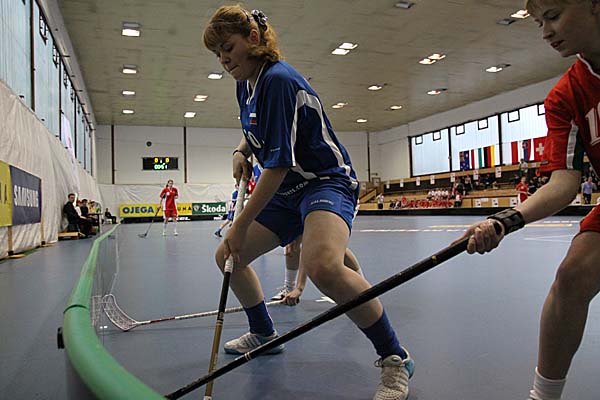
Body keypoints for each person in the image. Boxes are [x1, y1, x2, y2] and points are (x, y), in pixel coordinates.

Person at [203, 6, 414, 399]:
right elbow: (257, 129)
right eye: (217, 54)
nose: (223, 59)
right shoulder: (245, 82)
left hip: (325, 182)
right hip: (289, 191)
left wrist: (240, 224)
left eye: (228, 48)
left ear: (253, 39)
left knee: (322, 266)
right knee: (228, 257)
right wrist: (240, 149)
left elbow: (278, 166)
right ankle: (264, 333)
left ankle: (394, 358)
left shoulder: (279, 80)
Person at [456, 1, 600, 399]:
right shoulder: (566, 95)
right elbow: (563, 183)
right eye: (539, 22)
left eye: (553, 16)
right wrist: (503, 221)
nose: (545, 32)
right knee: (572, 276)